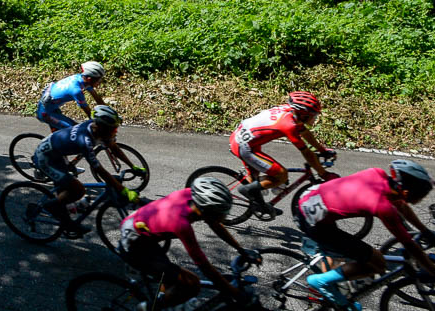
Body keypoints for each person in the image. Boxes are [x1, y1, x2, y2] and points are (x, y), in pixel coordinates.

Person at [296, 159, 435, 310]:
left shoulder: (378, 173)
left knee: (349, 255)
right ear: (406, 192)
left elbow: (401, 205)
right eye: (422, 196)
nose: (422, 199)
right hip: (313, 221)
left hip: (311, 200)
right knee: (378, 264)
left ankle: (335, 287)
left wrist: (425, 231)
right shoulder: (382, 206)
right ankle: (320, 282)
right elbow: (408, 243)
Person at [119, 177, 261, 311]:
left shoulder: (192, 197)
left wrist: (241, 249)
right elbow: (204, 267)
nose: (225, 216)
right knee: (192, 284)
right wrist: (236, 293)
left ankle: (166, 301)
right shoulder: (181, 224)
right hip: (135, 242)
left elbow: (215, 223)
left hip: (138, 226)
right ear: (207, 211)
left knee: (173, 280)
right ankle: (148, 308)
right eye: (222, 212)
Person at [29, 105, 139, 235]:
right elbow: (99, 169)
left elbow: (113, 147)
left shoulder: (99, 130)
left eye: (115, 129)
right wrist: (122, 189)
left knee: (66, 192)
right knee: (78, 190)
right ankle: (51, 207)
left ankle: (65, 214)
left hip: (57, 155)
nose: (115, 132)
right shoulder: (85, 140)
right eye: (112, 129)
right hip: (45, 158)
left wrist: (133, 166)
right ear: (101, 127)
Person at [230, 91, 337, 216]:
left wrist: (322, 150)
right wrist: (323, 173)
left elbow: (305, 133)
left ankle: (256, 199)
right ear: (302, 114)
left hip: (244, 138)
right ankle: (247, 190)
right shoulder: (288, 125)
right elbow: (306, 153)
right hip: (244, 146)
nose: (314, 118)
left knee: (258, 178)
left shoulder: (290, 112)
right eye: (312, 115)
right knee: (281, 175)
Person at [35, 61, 107, 131]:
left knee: (71, 131)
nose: (100, 83)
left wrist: (110, 113)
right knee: (75, 130)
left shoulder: (81, 79)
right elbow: (88, 112)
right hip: (45, 113)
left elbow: (98, 99)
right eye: (98, 80)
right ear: (89, 79)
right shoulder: (76, 90)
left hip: (51, 107)